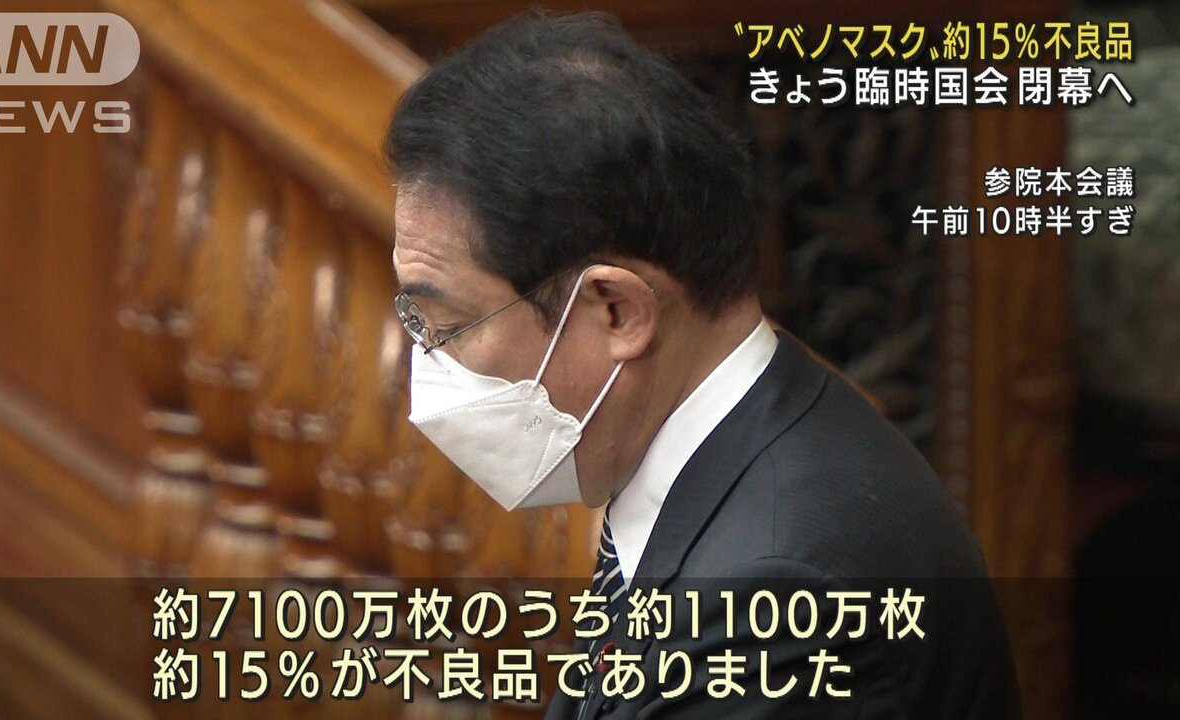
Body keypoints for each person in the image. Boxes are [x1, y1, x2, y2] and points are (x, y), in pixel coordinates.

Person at [385, 10, 1020, 719]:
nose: (429, 362)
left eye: (451, 327)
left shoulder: (772, 594)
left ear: (616, 310)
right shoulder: (737, 455)